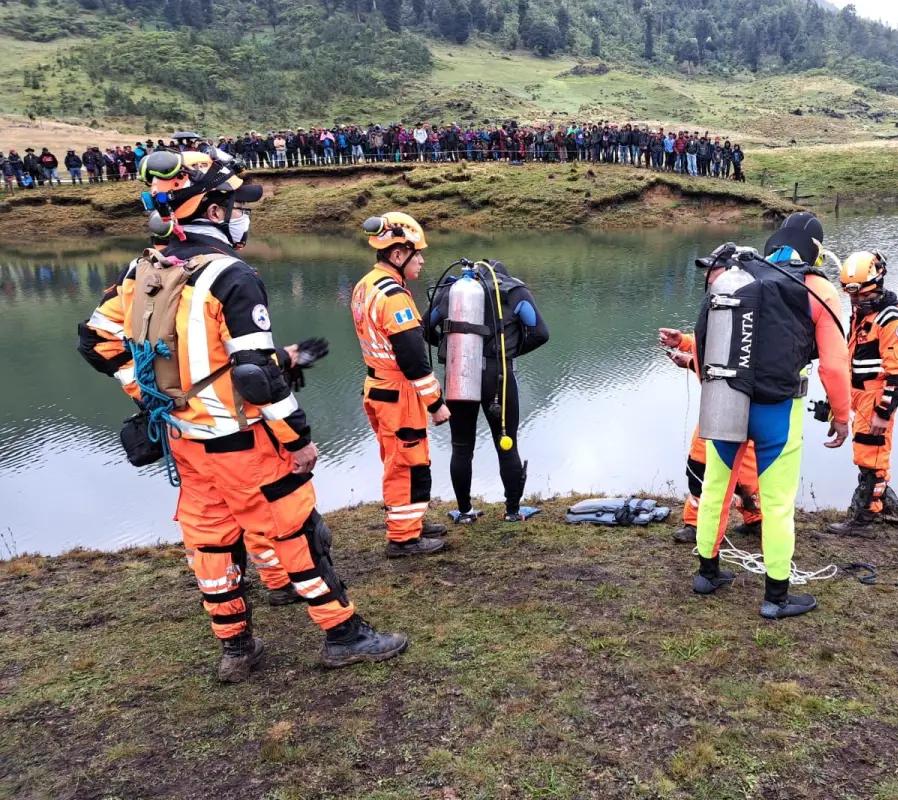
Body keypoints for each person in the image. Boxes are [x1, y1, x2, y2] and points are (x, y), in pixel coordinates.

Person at [78, 148, 407, 681]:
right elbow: (253, 375)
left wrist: (149, 396)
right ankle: (342, 635)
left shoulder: (144, 268)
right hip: (244, 443)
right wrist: (297, 438)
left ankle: (237, 649)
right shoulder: (231, 275)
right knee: (298, 534)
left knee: (210, 544)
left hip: (185, 441)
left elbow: (96, 342)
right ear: (209, 207)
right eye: (233, 203)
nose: (240, 212)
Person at [690, 212, 851, 619]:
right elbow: (833, 366)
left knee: (715, 487)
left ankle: (707, 573)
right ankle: (776, 597)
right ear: (814, 249)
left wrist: (712, 391)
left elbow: (703, 346)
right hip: (778, 410)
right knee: (778, 503)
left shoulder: (737, 276)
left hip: (727, 402)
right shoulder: (816, 288)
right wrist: (842, 415)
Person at [352, 212, 450, 557]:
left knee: (398, 458)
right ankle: (404, 537)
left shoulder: (366, 285)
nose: (422, 260)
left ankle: (413, 519)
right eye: (417, 253)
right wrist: (435, 404)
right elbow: (412, 358)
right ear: (397, 254)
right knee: (408, 463)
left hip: (377, 386)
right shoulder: (393, 296)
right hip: (398, 392)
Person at [425, 259, 550, 523]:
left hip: (460, 372)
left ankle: (464, 511)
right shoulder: (515, 292)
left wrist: (448, 347)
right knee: (507, 443)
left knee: (461, 447)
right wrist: (509, 351)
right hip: (499, 375)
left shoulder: (452, 291)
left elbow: (424, 328)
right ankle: (513, 512)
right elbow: (540, 333)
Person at [827, 251, 898, 535]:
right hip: (860, 396)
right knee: (867, 455)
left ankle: (864, 519)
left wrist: (883, 413)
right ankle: (890, 509)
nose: (857, 301)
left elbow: (897, 374)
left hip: (876, 397)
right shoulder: (861, 316)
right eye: (853, 296)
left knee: (871, 459)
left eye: (863, 295)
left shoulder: (891, 321)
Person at [657, 328, 763, 546]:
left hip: (749, 408)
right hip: (715, 409)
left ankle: (757, 520)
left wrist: (689, 360)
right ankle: (696, 524)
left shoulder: (766, 320)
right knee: (699, 466)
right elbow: (717, 339)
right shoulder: (725, 308)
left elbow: (739, 361)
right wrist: (684, 343)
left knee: (748, 472)